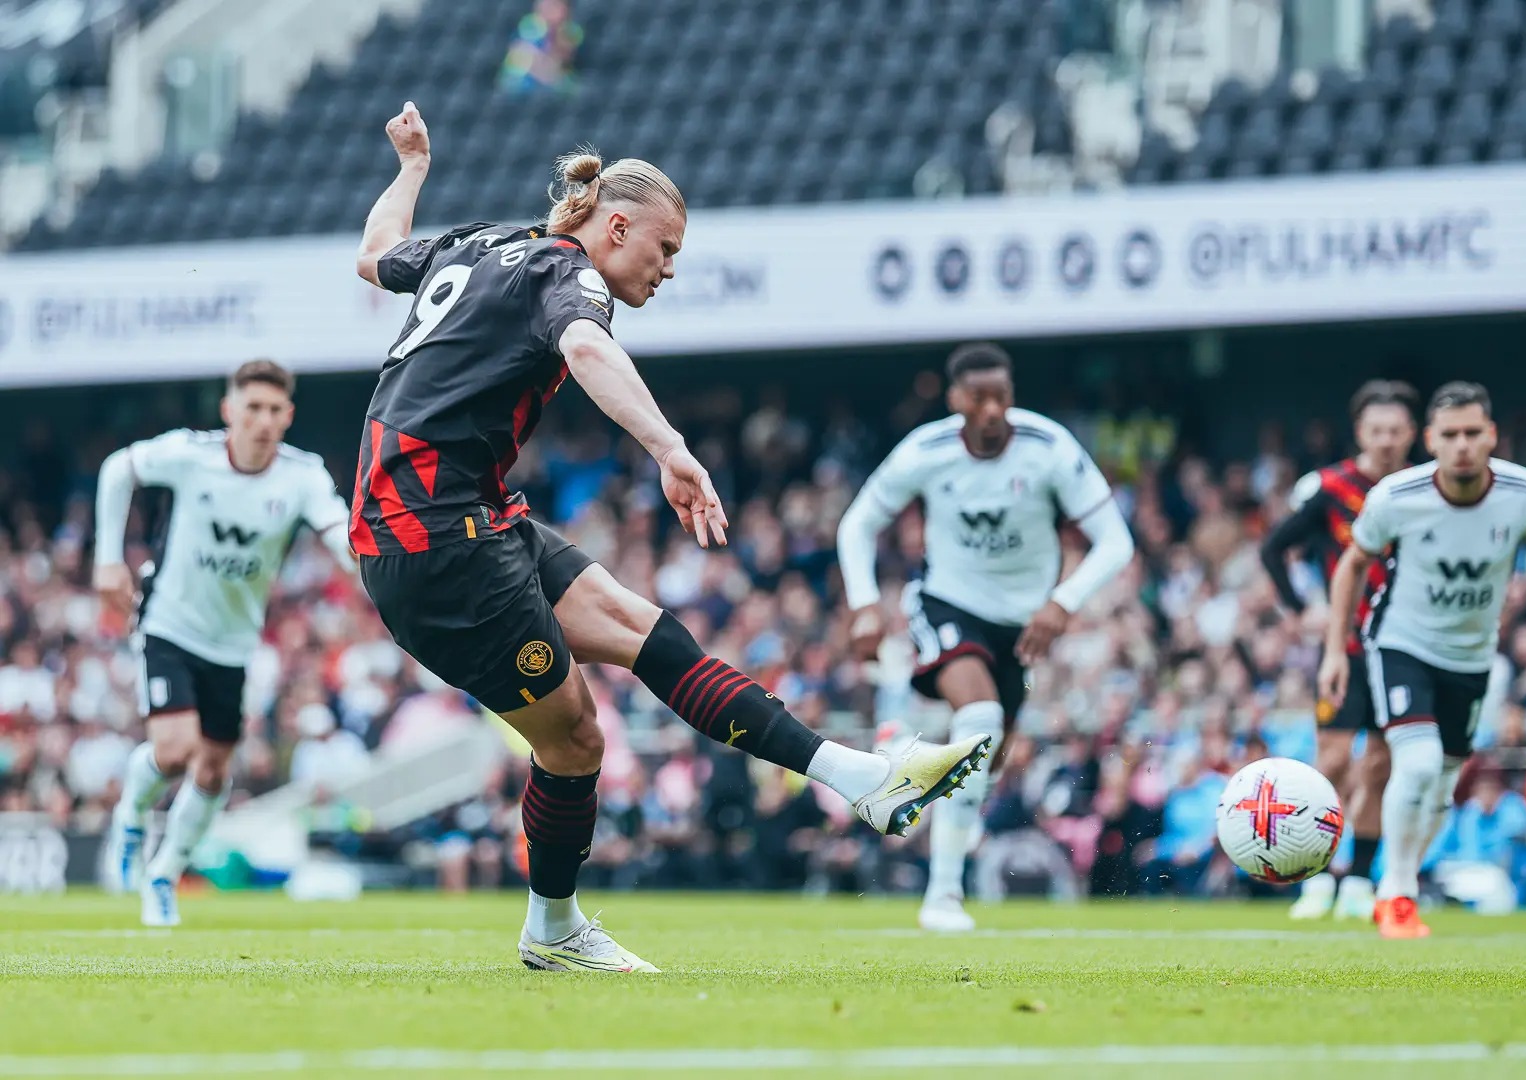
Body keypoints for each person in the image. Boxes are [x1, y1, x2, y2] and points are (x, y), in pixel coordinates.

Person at [351, 102, 990, 972]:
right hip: (431, 537)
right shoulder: (565, 274)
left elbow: (373, 255)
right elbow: (586, 349)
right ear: (616, 226)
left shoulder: (478, 243)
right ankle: (553, 932)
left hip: (464, 516)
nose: (670, 269)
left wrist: (413, 170)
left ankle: (861, 778)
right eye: (667, 250)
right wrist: (671, 447)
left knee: (652, 634)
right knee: (574, 739)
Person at [837, 342, 1135, 932]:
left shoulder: (1048, 449)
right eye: (979, 398)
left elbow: (1115, 541)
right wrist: (866, 605)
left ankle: (927, 769)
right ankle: (943, 895)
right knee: (981, 719)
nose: (993, 409)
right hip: (947, 602)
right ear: (956, 401)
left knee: (989, 758)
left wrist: (1061, 603)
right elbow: (858, 523)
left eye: (1002, 396)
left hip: (1023, 625)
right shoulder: (927, 451)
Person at [94, 360, 356, 927]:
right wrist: (107, 559)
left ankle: (164, 874)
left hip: (234, 645)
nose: (262, 420)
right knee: (172, 750)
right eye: (252, 408)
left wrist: (360, 560)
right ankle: (131, 815)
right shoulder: (192, 455)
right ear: (229, 411)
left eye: (273, 410)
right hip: (168, 623)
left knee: (213, 772)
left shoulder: (301, 475)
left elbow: (339, 532)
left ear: (288, 416)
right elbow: (119, 469)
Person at [1319, 382, 1526, 939]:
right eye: (1450, 435)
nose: (1462, 445)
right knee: (1420, 763)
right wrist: (1337, 650)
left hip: (1472, 657)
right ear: (1430, 440)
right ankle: (1396, 894)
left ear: (1492, 436)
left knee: (1443, 783)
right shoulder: (1396, 496)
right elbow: (1351, 566)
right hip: (1401, 644)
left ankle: (1400, 882)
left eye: (1472, 433)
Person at [1257, 379, 1417, 921]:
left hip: (1402, 649)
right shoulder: (1333, 489)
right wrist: (1300, 608)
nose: (1388, 440)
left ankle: (1359, 880)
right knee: (1330, 762)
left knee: (1379, 765)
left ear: (1412, 433)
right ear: (1360, 433)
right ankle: (1318, 875)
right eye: (1378, 430)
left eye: (1396, 430)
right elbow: (1275, 548)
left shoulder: (1423, 490)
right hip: (1344, 650)